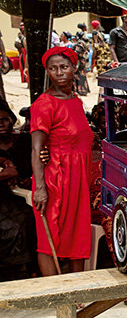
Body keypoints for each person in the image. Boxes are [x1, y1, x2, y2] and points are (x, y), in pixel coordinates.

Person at [31, 47, 95, 275]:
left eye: (64, 67)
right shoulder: (44, 104)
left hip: (78, 179)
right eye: (53, 68)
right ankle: (55, 290)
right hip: (55, 179)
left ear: (74, 68)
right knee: (49, 239)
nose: (59, 72)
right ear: (47, 71)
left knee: (78, 234)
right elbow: (36, 148)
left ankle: (77, 288)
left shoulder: (75, 100)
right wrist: (40, 188)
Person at [0, 101, 37, 281]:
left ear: (12, 120)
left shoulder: (26, 140)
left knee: (30, 218)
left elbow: (41, 162)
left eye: (5, 119)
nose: (1, 124)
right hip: (5, 197)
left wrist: (31, 178)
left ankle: (33, 269)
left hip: (29, 194)